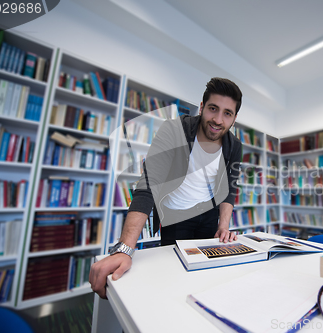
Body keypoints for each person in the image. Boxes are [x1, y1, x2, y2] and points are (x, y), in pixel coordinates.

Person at [90, 77, 243, 299]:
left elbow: (230, 186)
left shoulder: (234, 146)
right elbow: (150, 183)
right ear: (201, 107)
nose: (218, 120)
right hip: (176, 215)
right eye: (213, 109)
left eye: (227, 113)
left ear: (234, 118)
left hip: (209, 215)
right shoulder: (174, 130)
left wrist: (224, 224)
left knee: (206, 275)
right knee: (175, 277)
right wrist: (125, 249)